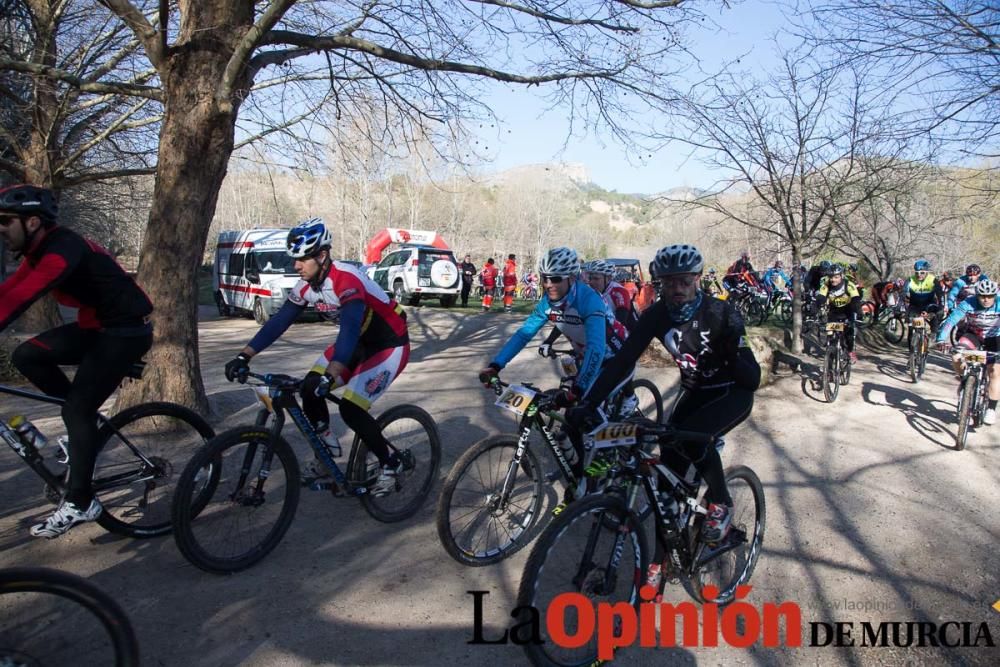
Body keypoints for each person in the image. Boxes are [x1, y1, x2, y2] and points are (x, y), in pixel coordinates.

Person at [569, 244, 760, 594]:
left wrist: (733, 353)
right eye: (668, 282)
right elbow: (624, 360)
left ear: (697, 280)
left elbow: (753, 379)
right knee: (665, 488)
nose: (677, 288)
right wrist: (589, 401)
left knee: (693, 437)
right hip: (695, 393)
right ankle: (659, 561)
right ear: (659, 284)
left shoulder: (722, 313)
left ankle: (721, 503)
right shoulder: (656, 315)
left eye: (684, 281)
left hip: (731, 393)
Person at [0, 184, 154, 538]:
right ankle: (80, 431)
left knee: (77, 412)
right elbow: (7, 291)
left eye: (5, 220)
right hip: (98, 328)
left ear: (33, 222)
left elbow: (22, 298)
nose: (0, 228)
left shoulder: (62, 249)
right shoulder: (38, 250)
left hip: (125, 333)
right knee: (27, 355)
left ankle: (81, 501)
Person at [223, 218, 409, 496]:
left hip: (387, 345)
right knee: (309, 388)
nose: (295, 265)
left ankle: (391, 463)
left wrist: (333, 372)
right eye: (294, 259)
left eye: (301, 259)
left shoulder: (347, 280)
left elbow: (347, 330)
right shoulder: (306, 285)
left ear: (322, 256)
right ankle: (325, 452)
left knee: (351, 408)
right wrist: (244, 355)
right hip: (356, 341)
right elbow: (280, 321)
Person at [478, 247, 629, 470]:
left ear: (571, 277)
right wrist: (495, 365)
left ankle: (613, 462)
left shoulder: (589, 300)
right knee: (572, 419)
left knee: (586, 411)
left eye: (555, 279)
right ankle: (579, 476)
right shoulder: (547, 303)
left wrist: (577, 390)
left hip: (616, 357)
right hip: (587, 356)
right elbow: (523, 334)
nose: (548, 284)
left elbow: (597, 348)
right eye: (544, 278)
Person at [936, 279, 1000, 425]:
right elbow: (951, 320)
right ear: (976, 295)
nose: (986, 299)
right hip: (974, 335)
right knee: (957, 356)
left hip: (995, 338)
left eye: (990, 296)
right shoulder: (968, 302)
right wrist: (941, 339)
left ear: (995, 295)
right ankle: (964, 379)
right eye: (982, 296)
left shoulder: (999, 303)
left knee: (995, 371)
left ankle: (991, 409)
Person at [814, 264, 863, 364]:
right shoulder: (826, 285)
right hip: (834, 312)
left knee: (849, 334)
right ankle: (830, 366)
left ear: (841, 276)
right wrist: (814, 309)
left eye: (836, 277)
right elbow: (820, 298)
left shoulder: (849, 285)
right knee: (830, 337)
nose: (833, 280)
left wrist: (858, 312)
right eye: (831, 277)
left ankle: (850, 351)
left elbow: (856, 299)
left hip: (848, 311)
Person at [584, 259, 637, 329]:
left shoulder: (619, 291)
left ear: (608, 278)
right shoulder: (592, 292)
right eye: (590, 278)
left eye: (596, 279)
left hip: (628, 333)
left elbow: (621, 322)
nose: (591, 282)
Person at [904, 259, 943, 349]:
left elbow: (940, 294)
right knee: (911, 327)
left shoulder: (933, 280)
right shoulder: (910, 280)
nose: (919, 275)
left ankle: (933, 334)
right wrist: (902, 303)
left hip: (929, 305)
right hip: (915, 305)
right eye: (917, 273)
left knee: (937, 314)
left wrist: (942, 305)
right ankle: (911, 353)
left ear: (926, 272)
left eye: (922, 272)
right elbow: (903, 293)